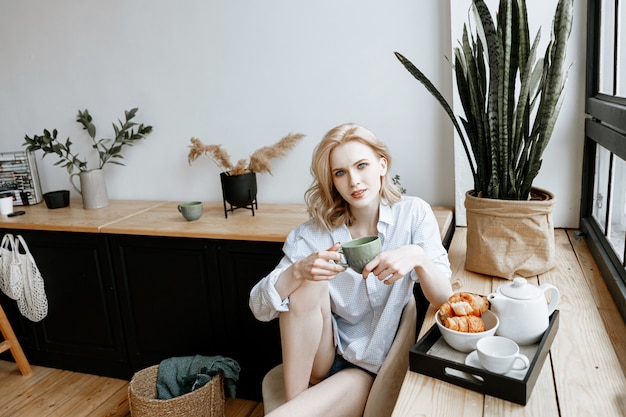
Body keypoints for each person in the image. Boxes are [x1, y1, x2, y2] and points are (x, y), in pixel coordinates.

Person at [249, 123, 452, 416]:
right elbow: (258, 307)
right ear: (332, 180)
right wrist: (297, 272)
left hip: (365, 369)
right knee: (305, 279)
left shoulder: (414, 214)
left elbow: (445, 299)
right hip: (321, 359)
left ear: (382, 165)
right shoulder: (311, 235)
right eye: (340, 172)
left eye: (362, 166)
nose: (354, 181)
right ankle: (298, 399)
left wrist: (417, 257)